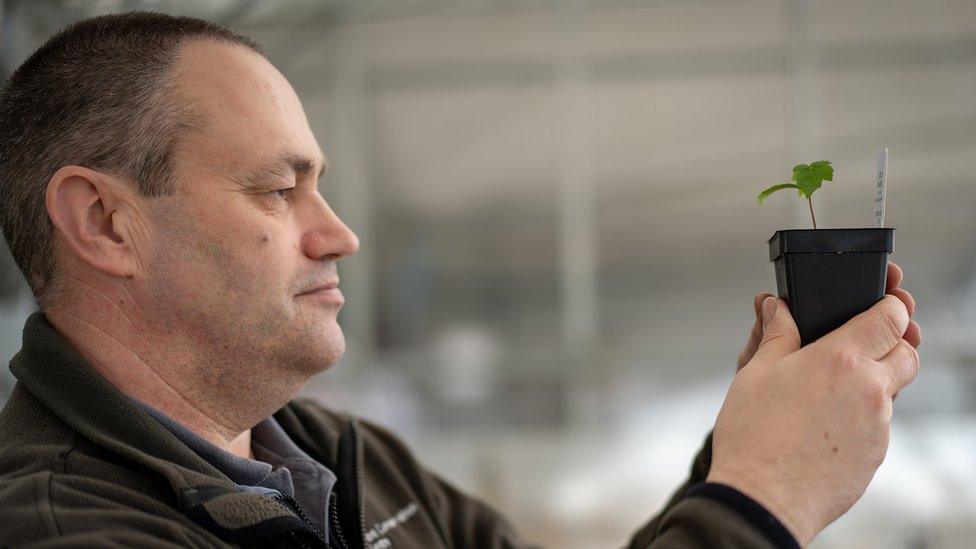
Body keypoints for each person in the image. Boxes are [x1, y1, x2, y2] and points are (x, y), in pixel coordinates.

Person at [0, 12, 922, 549]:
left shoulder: (345, 463)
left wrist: (737, 452)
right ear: (106, 222)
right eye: (279, 189)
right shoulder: (65, 526)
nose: (341, 234)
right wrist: (763, 497)